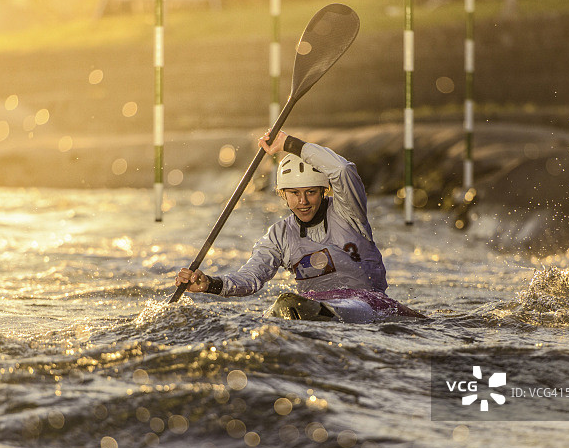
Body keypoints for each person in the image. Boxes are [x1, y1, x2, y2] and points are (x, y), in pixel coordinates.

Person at [174, 130, 424, 320]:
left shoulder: (349, 212)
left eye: (311, 192)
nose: (303, 202)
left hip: (366, 303)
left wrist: (290, 145)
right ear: (282, 194)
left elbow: (342, 169)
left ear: (324, 190)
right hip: (311, 305)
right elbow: (251, 278)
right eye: (293, 193)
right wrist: (210, 284)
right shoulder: (279, 235)